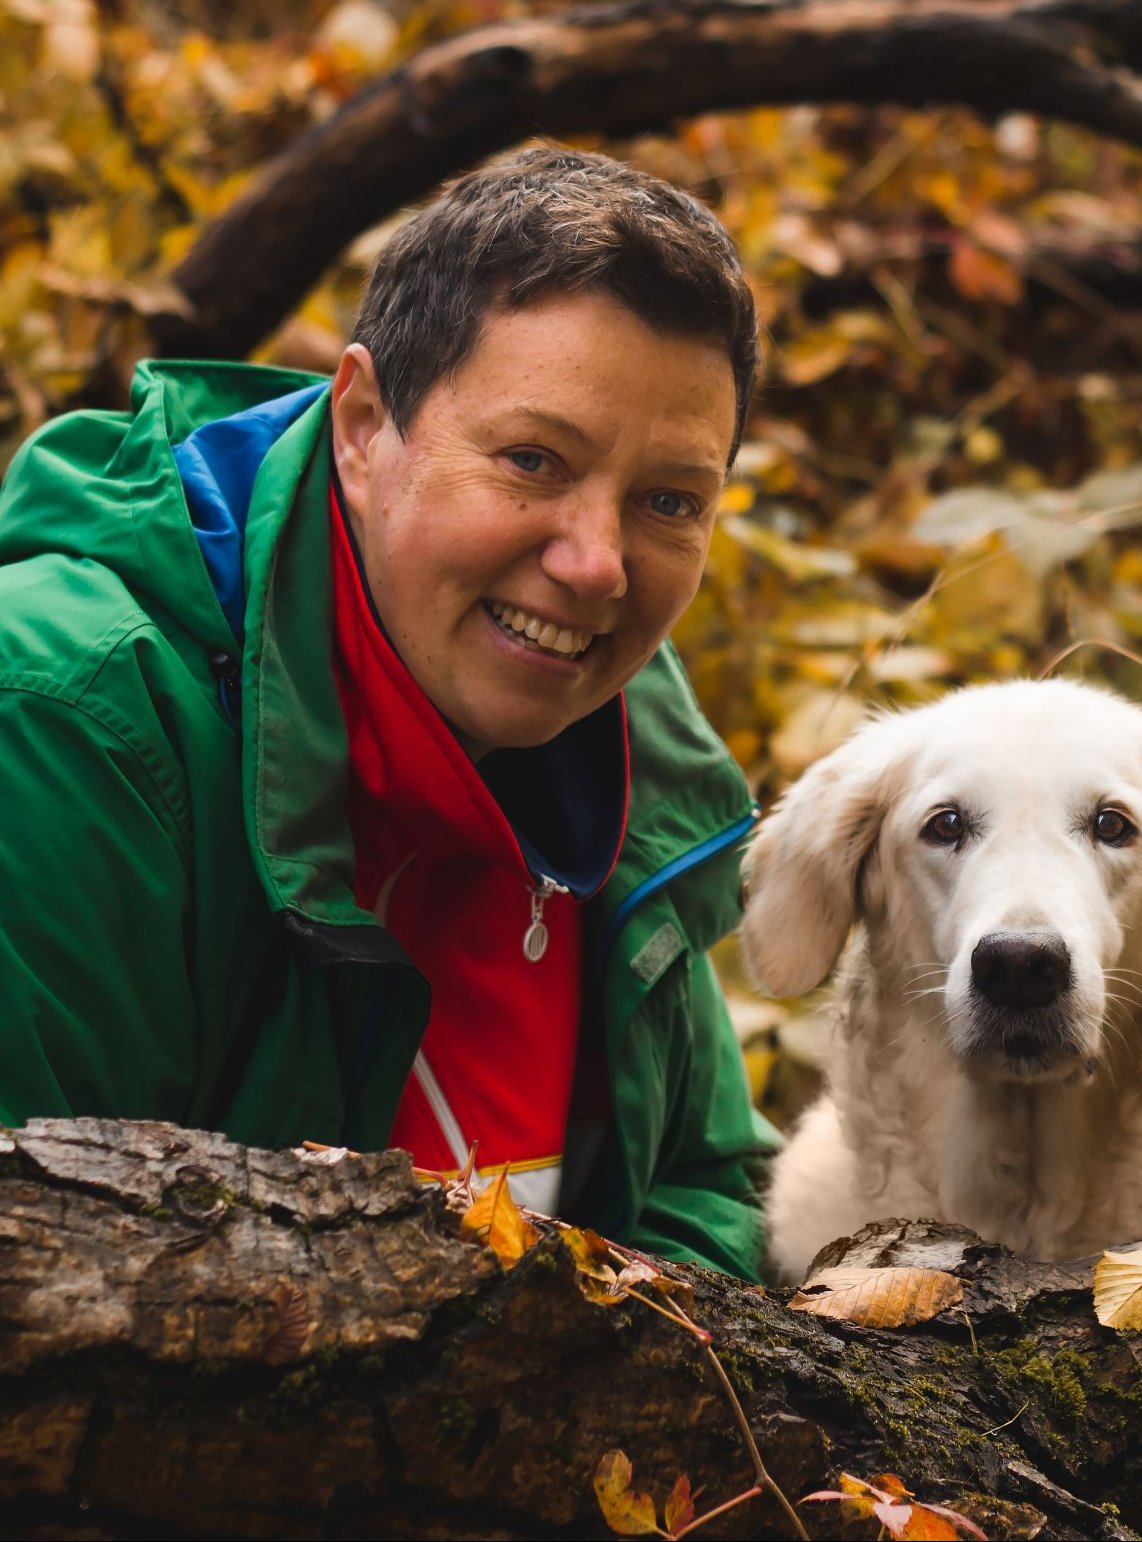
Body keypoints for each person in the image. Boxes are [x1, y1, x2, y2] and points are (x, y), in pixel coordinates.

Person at [0, 147, 778, 1279]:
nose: (597, 564)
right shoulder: (64, 729)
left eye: (669, 501)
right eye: (532, 459)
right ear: (363, 425)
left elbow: (709, 1186)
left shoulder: (616, 728)